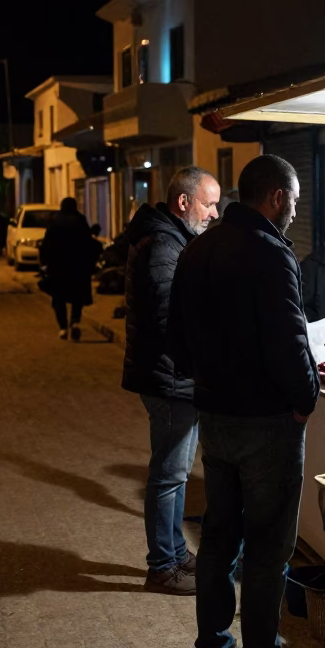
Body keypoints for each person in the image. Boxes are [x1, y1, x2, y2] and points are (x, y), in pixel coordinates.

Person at [168, 154, 324, 648]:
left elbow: (176, 337)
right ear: (277, 198)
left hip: (216, 418)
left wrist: (207, 383)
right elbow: (289, 340)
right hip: (266, 423)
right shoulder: (269, 253)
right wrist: (306, 399)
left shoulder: (198, 247)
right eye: (295, 202)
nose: (295, 211)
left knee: (218, 538)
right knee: (267, 547)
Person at [122, 167, 221, 596]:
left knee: (176, 473)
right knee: (168, 474)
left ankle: (176, 553)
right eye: (209, 203)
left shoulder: (171, 238)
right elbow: (169, 317)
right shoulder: (164, 244)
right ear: (184, 203)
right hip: (170, 378)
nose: (215, 213)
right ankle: (162, 565)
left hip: (176, 376)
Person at [40, 197, 98, 341]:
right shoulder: (80, 221)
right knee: (77, 297)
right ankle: (75, 321)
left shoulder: (55, 222)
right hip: (78, 267)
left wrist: (44, 263)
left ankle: (62, 327)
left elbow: (47, 244)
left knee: (58, 298)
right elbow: (88, 243)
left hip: (58, 267)